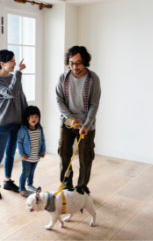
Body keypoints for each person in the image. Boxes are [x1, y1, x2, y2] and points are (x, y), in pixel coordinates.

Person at [55, 45, 101, 195]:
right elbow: (59, 100)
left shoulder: (93, 79)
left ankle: (81, 188)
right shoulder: (63, 78)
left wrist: (86, 125)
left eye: (78, 63)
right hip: (67, 122)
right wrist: (70, 119)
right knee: (64, 153)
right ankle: (67, 187)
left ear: (85, 62)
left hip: (87, 124)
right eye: (72, 63)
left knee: (85, 157)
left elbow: (94, 104)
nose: (74, 67)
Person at [0, 49, 28, 199]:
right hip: (2, 124)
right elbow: (10, 93)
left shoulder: (14, 76)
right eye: (11, 60)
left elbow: (21, 98)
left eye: (14, 60)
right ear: (2, 63)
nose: (14, 63)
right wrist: (18, 73)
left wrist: (25, 119)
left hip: (16, 122)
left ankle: (8, 181)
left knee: (11, 154)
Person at [17, 105, 46, 197]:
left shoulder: (39, 129)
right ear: (27, 118)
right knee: (25, 172)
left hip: (35, 156)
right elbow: (19, 142)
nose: (34, 118)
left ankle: (29, 184)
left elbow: (42, 140)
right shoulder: (23, 130)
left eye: (36, 116)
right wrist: (22, 154)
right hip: (27, 157)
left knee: (32, 172)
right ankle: (21, 188)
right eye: (32, 116)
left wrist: (43, 150)